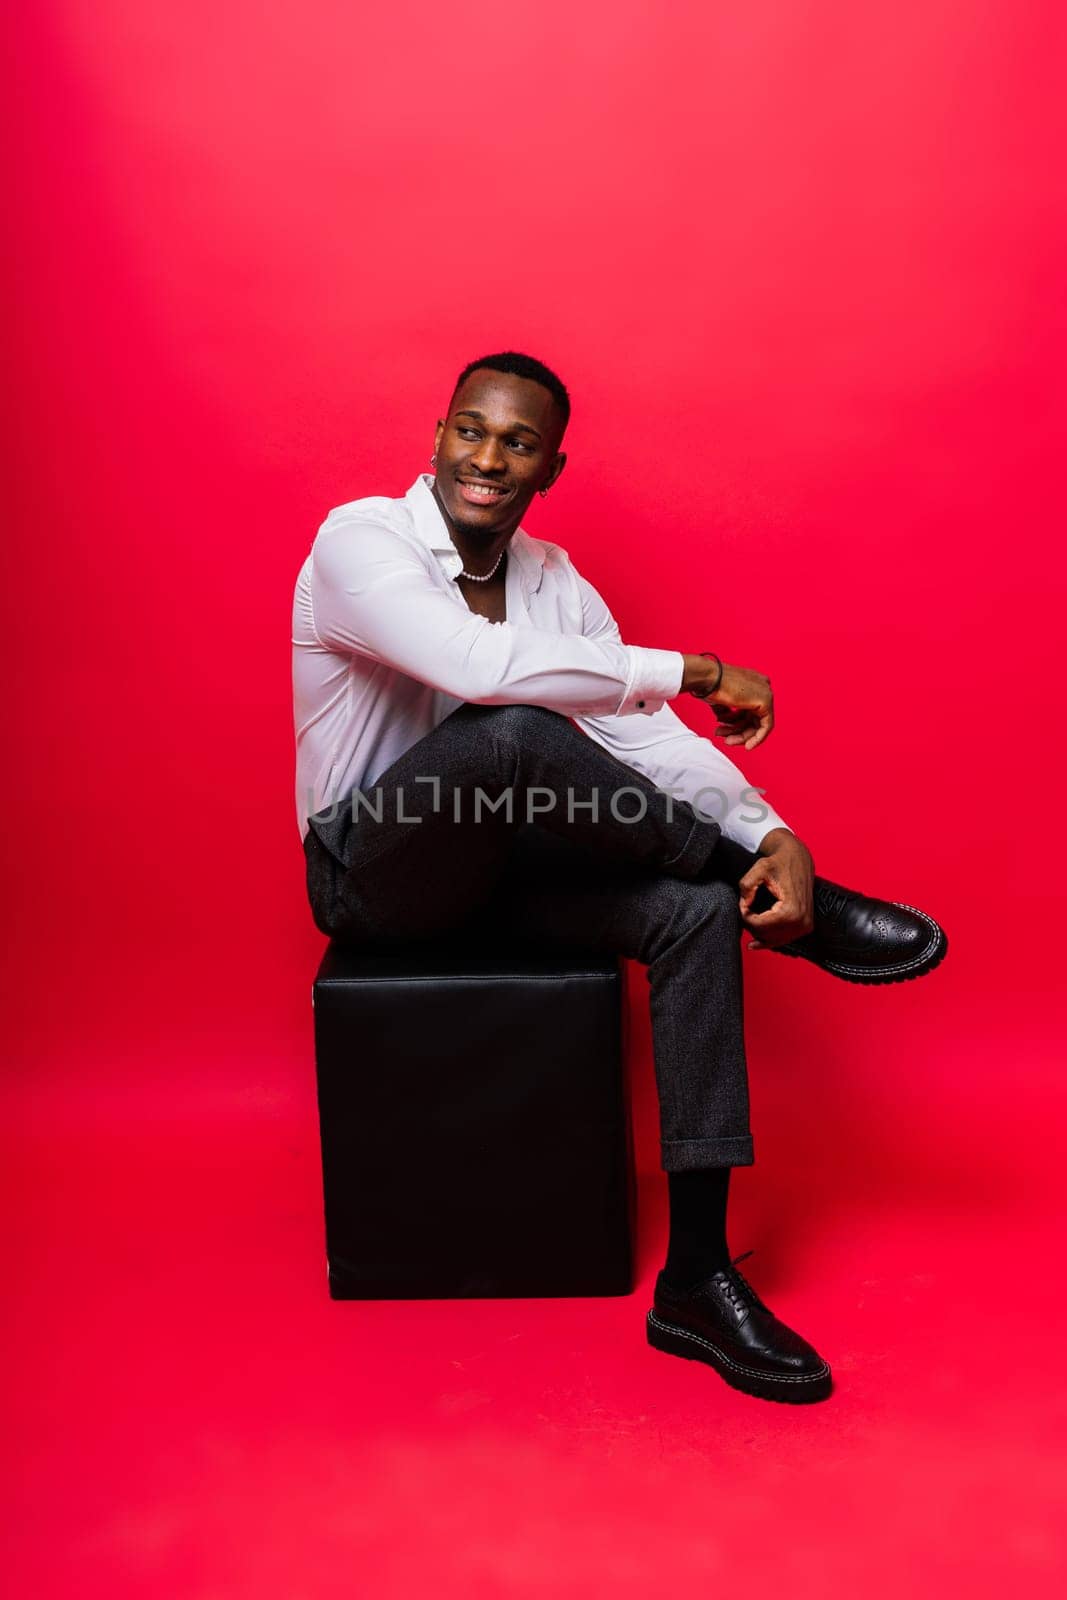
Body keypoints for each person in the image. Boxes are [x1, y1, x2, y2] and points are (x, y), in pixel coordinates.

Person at [292, 351, 947, 1405]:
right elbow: (478, 671)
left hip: (500, 867)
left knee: (693, 914)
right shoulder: (358, 542)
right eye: (471, 430)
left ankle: (694, 1278)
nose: (488, 459)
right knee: (505, 730)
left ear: (551, 466)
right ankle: (811, 923)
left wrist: (770, 831)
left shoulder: (553, 580)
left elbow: (638, 744)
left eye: (517, 443)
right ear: (437, 434)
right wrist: (693, 670)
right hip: (372, 873)